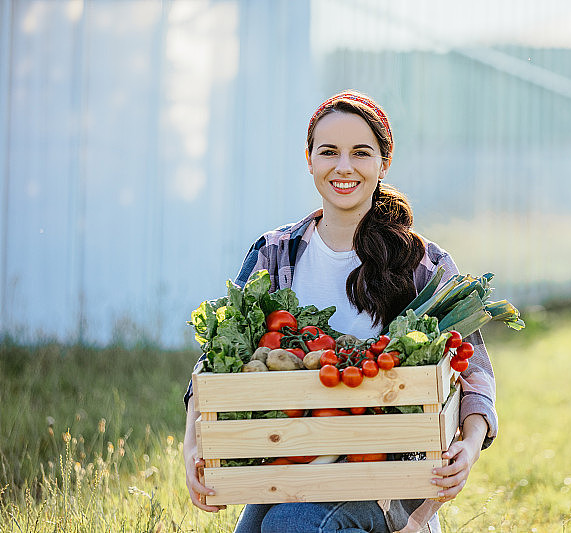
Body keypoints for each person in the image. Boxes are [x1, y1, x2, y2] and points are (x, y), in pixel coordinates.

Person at [182, 91, 498, 533]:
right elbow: (217, 357)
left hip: (384, 479)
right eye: (329, 151)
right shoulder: (276, 253)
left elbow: (475, 370)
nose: (343, 167)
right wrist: (193, 440)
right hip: (286, 463)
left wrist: (468, 445)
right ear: (309, 159)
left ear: (383, 163)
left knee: (292, 525)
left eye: (361, 153)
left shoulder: (422, 262)